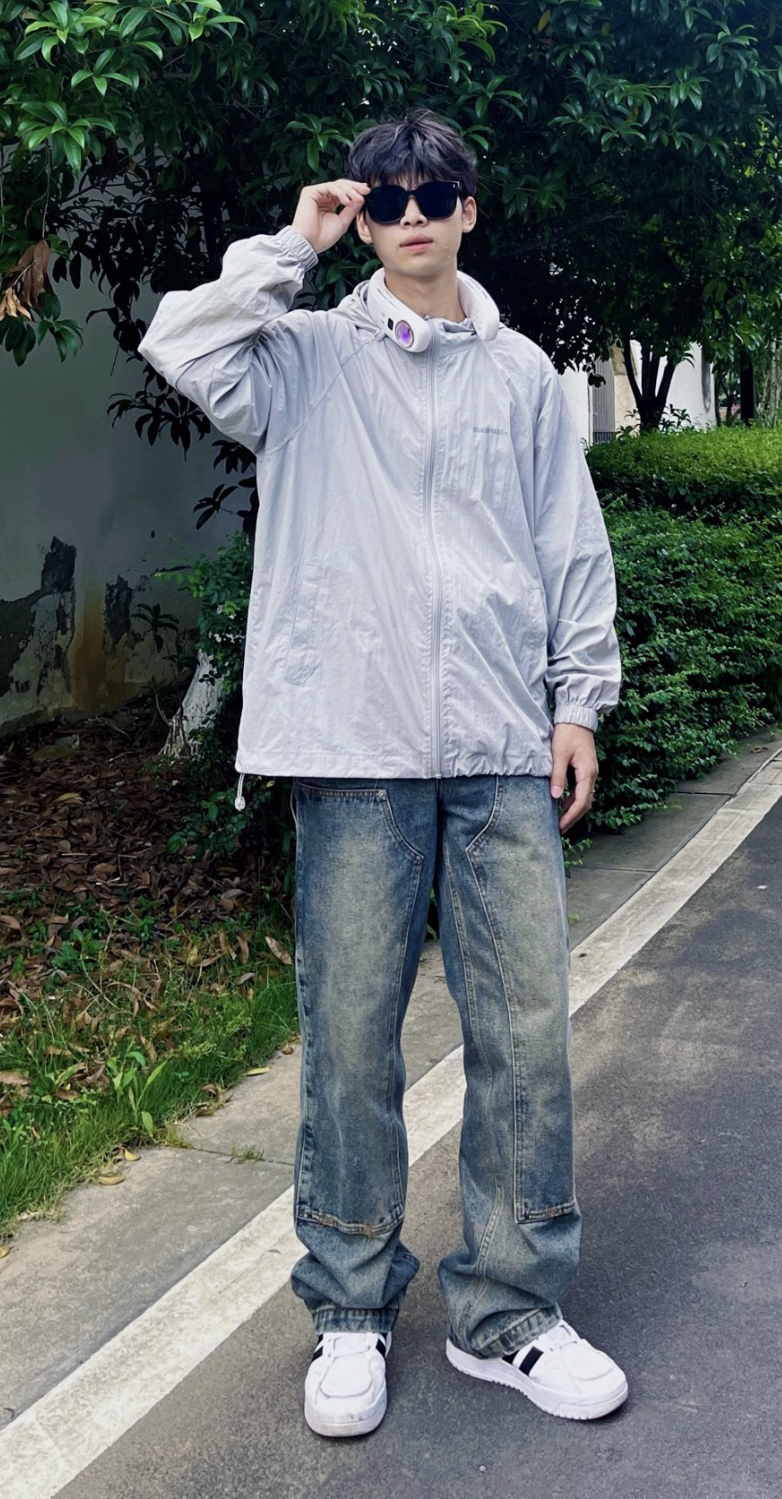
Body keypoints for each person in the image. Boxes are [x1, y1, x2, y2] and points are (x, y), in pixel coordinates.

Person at [139, 109, 626, 1437]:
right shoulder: (302, 359)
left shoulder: (524, 376)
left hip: (499, 749)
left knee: (525, 1037)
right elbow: (179, 341)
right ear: (362, 213)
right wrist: (290, 248)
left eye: (434, 193)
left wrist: (576, 700)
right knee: (351, 1042)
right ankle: (349, 1310)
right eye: (386, 196)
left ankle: (509, 1311)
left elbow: (567, 540)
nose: (412, 215)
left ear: (470, 208)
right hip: (352, 749)